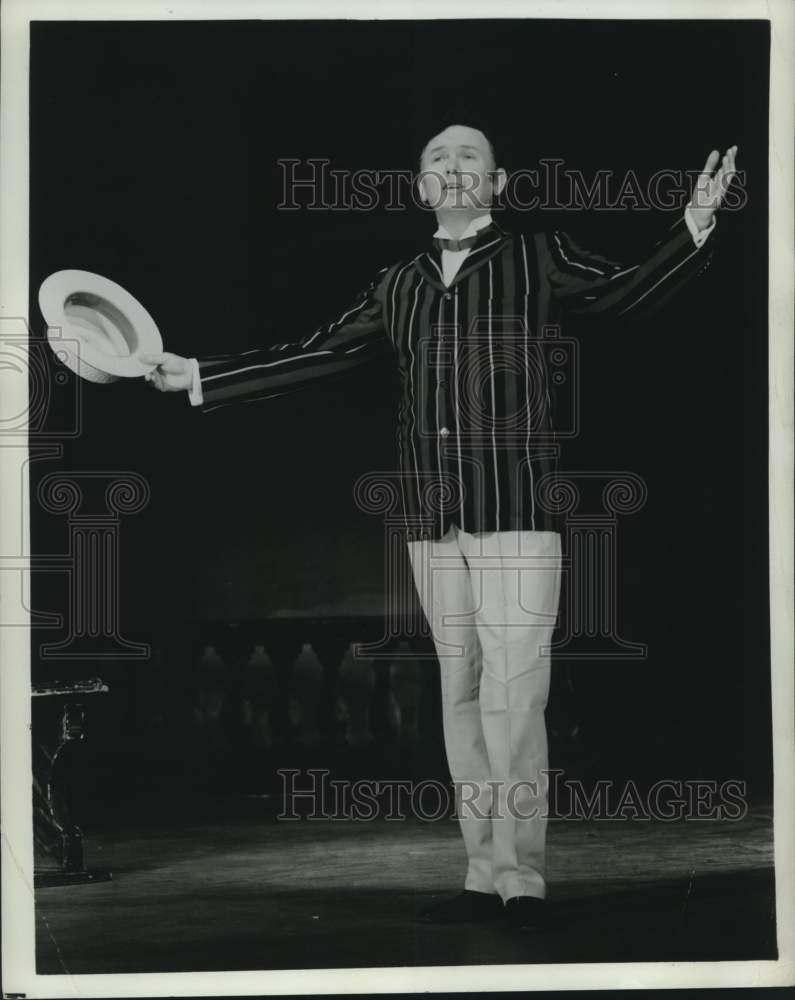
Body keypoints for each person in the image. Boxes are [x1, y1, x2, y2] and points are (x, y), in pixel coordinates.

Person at [142, 124, 738, 932]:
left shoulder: (538, 254)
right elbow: (316, 354)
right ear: (420, 188)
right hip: (432, 518)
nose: (452, 169)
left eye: (469, 159)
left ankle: (522, 879)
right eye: (436, 160)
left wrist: (693, 223)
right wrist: (201, 375)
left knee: (513, 698)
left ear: (496, 184)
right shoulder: (397, 284)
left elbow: (624, 290)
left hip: (517, 514)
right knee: (459, 695)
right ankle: (480, 872)